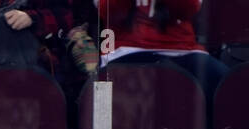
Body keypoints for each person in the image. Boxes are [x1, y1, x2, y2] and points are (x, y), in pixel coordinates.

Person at [97, 0, 228, 107]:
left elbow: (189, 8)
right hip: (127, 49)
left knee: (225, 82)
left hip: (182, 49)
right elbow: (107, 11)